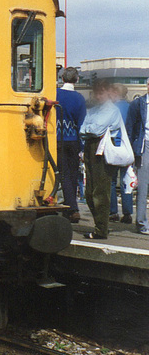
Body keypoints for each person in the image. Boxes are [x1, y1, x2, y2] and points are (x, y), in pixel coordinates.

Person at [80, 79, 125, 239]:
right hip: (90, 148)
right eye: (96, 91)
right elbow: (83, 129)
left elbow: (96, 128)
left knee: (101, 191)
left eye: (101, 92)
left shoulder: (111, 110)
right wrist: (89, 129)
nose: (97, 95)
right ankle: (99, 226)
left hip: (103, 150)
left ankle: (101, 229)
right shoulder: (94, 110)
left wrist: (89, 129)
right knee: (89, 192)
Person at [56, 67, 87, 222]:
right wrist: (82, 148)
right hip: (73, 140)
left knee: (59, 174)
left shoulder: (55, 94)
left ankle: (63, 205)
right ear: (77, 80)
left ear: (62, 78)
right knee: (72, 175)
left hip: (56, 139)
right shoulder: (80, 98)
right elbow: (81, 124)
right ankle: (72, 208)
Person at [126, 79, 149, 235]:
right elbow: (130, 127)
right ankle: (141, 223)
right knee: (143, 186)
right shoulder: (138, 104)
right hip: (144, 145)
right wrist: (130, 151)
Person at [109, 84, 133, 224]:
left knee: (111, 181)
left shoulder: (111, 108)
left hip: (114, 147)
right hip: (127, 148)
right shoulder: (131, 107)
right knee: (126, 180)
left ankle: (113, 212)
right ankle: (128, 213)